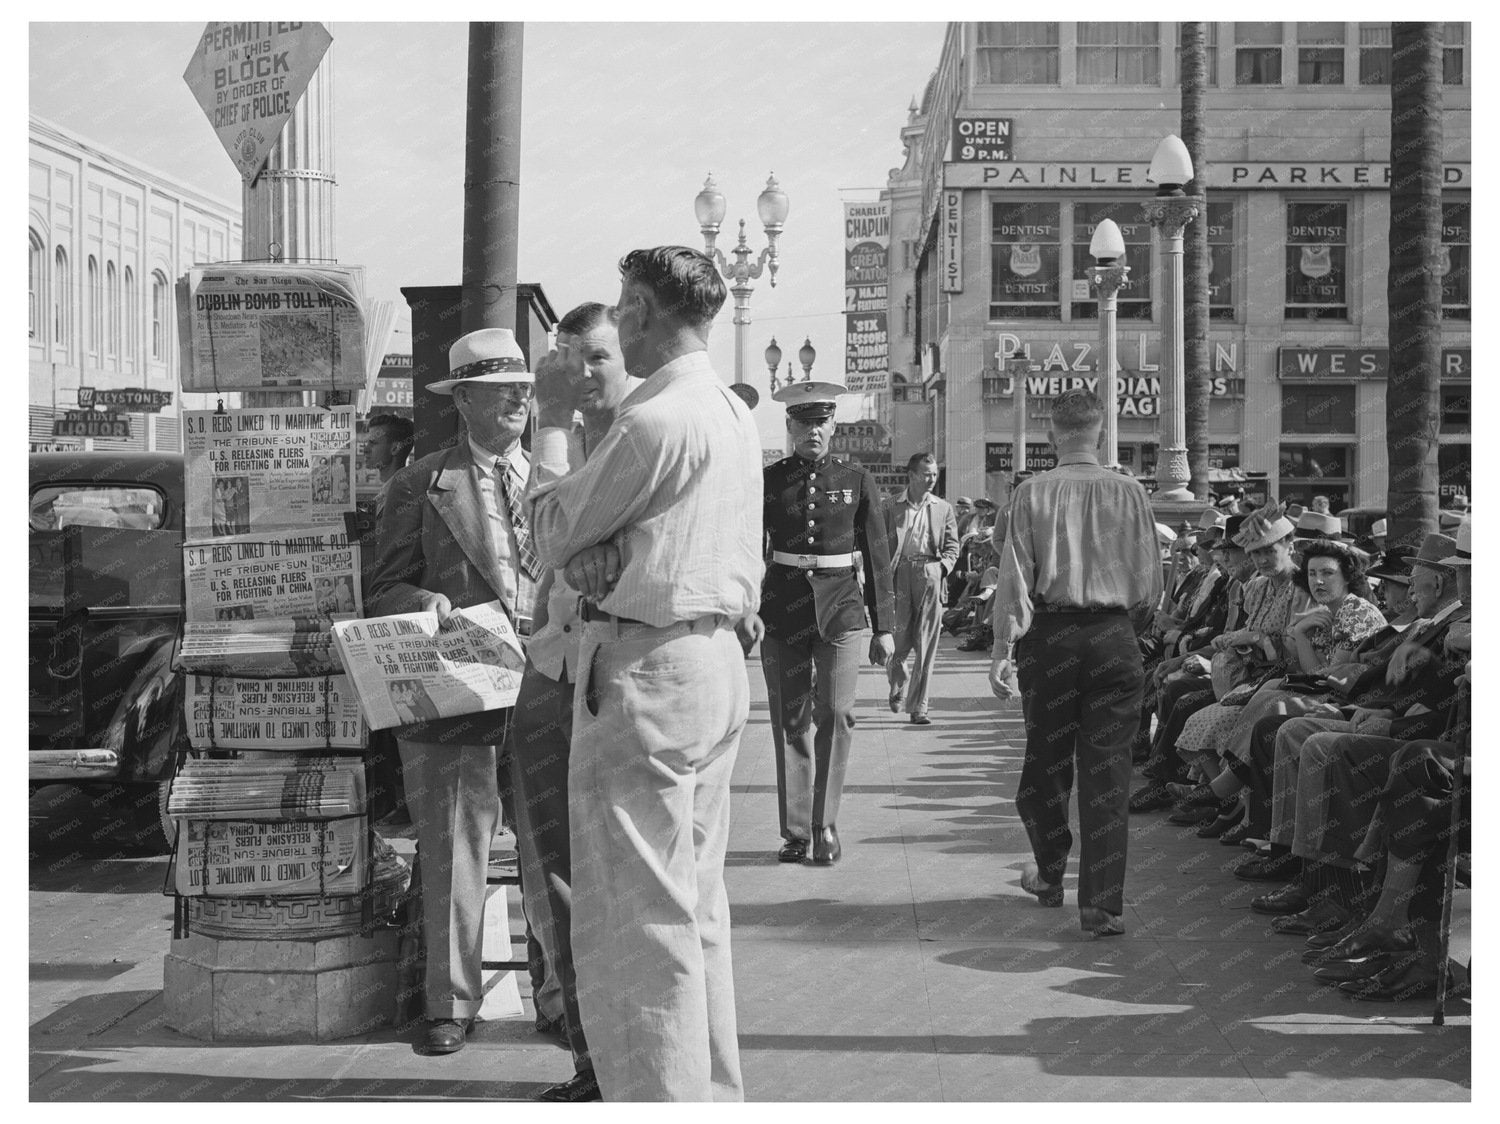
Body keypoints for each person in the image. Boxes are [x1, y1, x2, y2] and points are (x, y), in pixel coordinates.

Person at [525, 246, 762, 1102]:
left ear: (644, 313)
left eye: (626, 308)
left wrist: (550, 421)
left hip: (648, 669)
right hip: (713, 657)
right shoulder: (729, 412)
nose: (617, 323)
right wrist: (608, 552)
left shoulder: (654, 421)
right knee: (695, 911)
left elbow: (551, 527)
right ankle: (711, 1097)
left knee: (637, 922)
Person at [366, 327, 539, 1056]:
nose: (517, 405)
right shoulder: (418, 484)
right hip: (458, 684)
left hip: (547, 684)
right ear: (463, 399)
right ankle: (450, 1005)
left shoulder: (560, 479)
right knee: (451, 847)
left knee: (552, 851)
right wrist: (421, 600)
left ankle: (562, 1001)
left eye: (524, 393)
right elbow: (382, 586)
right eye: (502, 392)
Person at [502, 301, 639, 1102]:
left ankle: (628, 1053)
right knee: (556, 880)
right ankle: (589, 1056)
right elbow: (550, 550)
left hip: (616, 679)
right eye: (566, 356)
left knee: (627, 881)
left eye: (596, 357)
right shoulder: (559, 443)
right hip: (551, 677)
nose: (579, 373)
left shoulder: (637, 440)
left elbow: (570, 539)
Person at [988, 389, 1161, 938]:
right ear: (1102, 432)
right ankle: (1102, 905)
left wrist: (1002, 649)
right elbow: (1152, 582)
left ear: (1050, 436)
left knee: (1045, 766)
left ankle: (1048, 868)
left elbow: (1014, 580)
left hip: (1052, 636)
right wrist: (1124, 631)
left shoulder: (1031, 492)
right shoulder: (1131, 492)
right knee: (1109, 775)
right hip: (1114, 635)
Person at [744, 377, 895, 866]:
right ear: (789, 426)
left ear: (834, 424)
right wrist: (745, 608)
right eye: (804, 422)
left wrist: (886, 626)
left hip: (842, 608)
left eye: (822, 422)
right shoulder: (769, 481)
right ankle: (795, 832)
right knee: (790, 718)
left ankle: (824, 822)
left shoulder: (856, 479)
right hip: (782, 607)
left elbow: (877, 554)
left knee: (836, 711)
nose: (814, 431)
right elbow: (749, 549)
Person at [883, 453, 960, 724]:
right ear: (912, 475)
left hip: (930, 574)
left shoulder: (943, 508)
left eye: (935, 474)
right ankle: (897, 681)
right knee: (896, 643)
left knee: (926, 645)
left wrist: (942, 568)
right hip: (899, 576)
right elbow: (879, 547)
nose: (931, 479)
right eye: (926, 474)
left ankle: (919, 708)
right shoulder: (891, 506)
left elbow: (953, 546)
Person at [364, 414, 414, 517]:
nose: (366, 449)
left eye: (373, 443)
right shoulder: (387, 492)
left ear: (395, 448)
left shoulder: (401, 497)